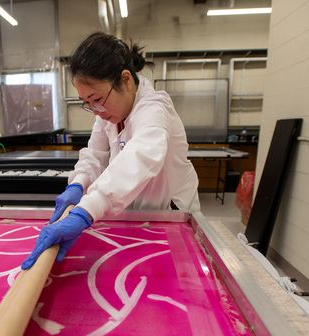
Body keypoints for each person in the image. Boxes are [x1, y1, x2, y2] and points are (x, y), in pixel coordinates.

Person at [21, 32, 200, 270]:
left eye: (96, 99)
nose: (95, 110)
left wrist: (87, 210)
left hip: (171, 216)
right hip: (135, 217)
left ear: (125, 79)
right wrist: (78, 184)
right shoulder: (108, 112)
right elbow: (95, 154)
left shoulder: (154, 108)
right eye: (87, 103)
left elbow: (140, 156)